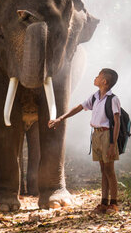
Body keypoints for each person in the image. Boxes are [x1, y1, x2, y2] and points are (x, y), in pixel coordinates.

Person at [48, 68, 121, 214]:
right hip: (96, 135)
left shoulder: (113, 99)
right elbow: (80, 107)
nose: (95, 78)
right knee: (103, 170)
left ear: (104, 82)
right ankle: (103, 203)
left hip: (107, 136)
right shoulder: (95, 96)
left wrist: (113, 144)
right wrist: (60, 119)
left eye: (98, 76)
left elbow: (117, 122)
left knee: (109, 170)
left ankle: (113, 204)